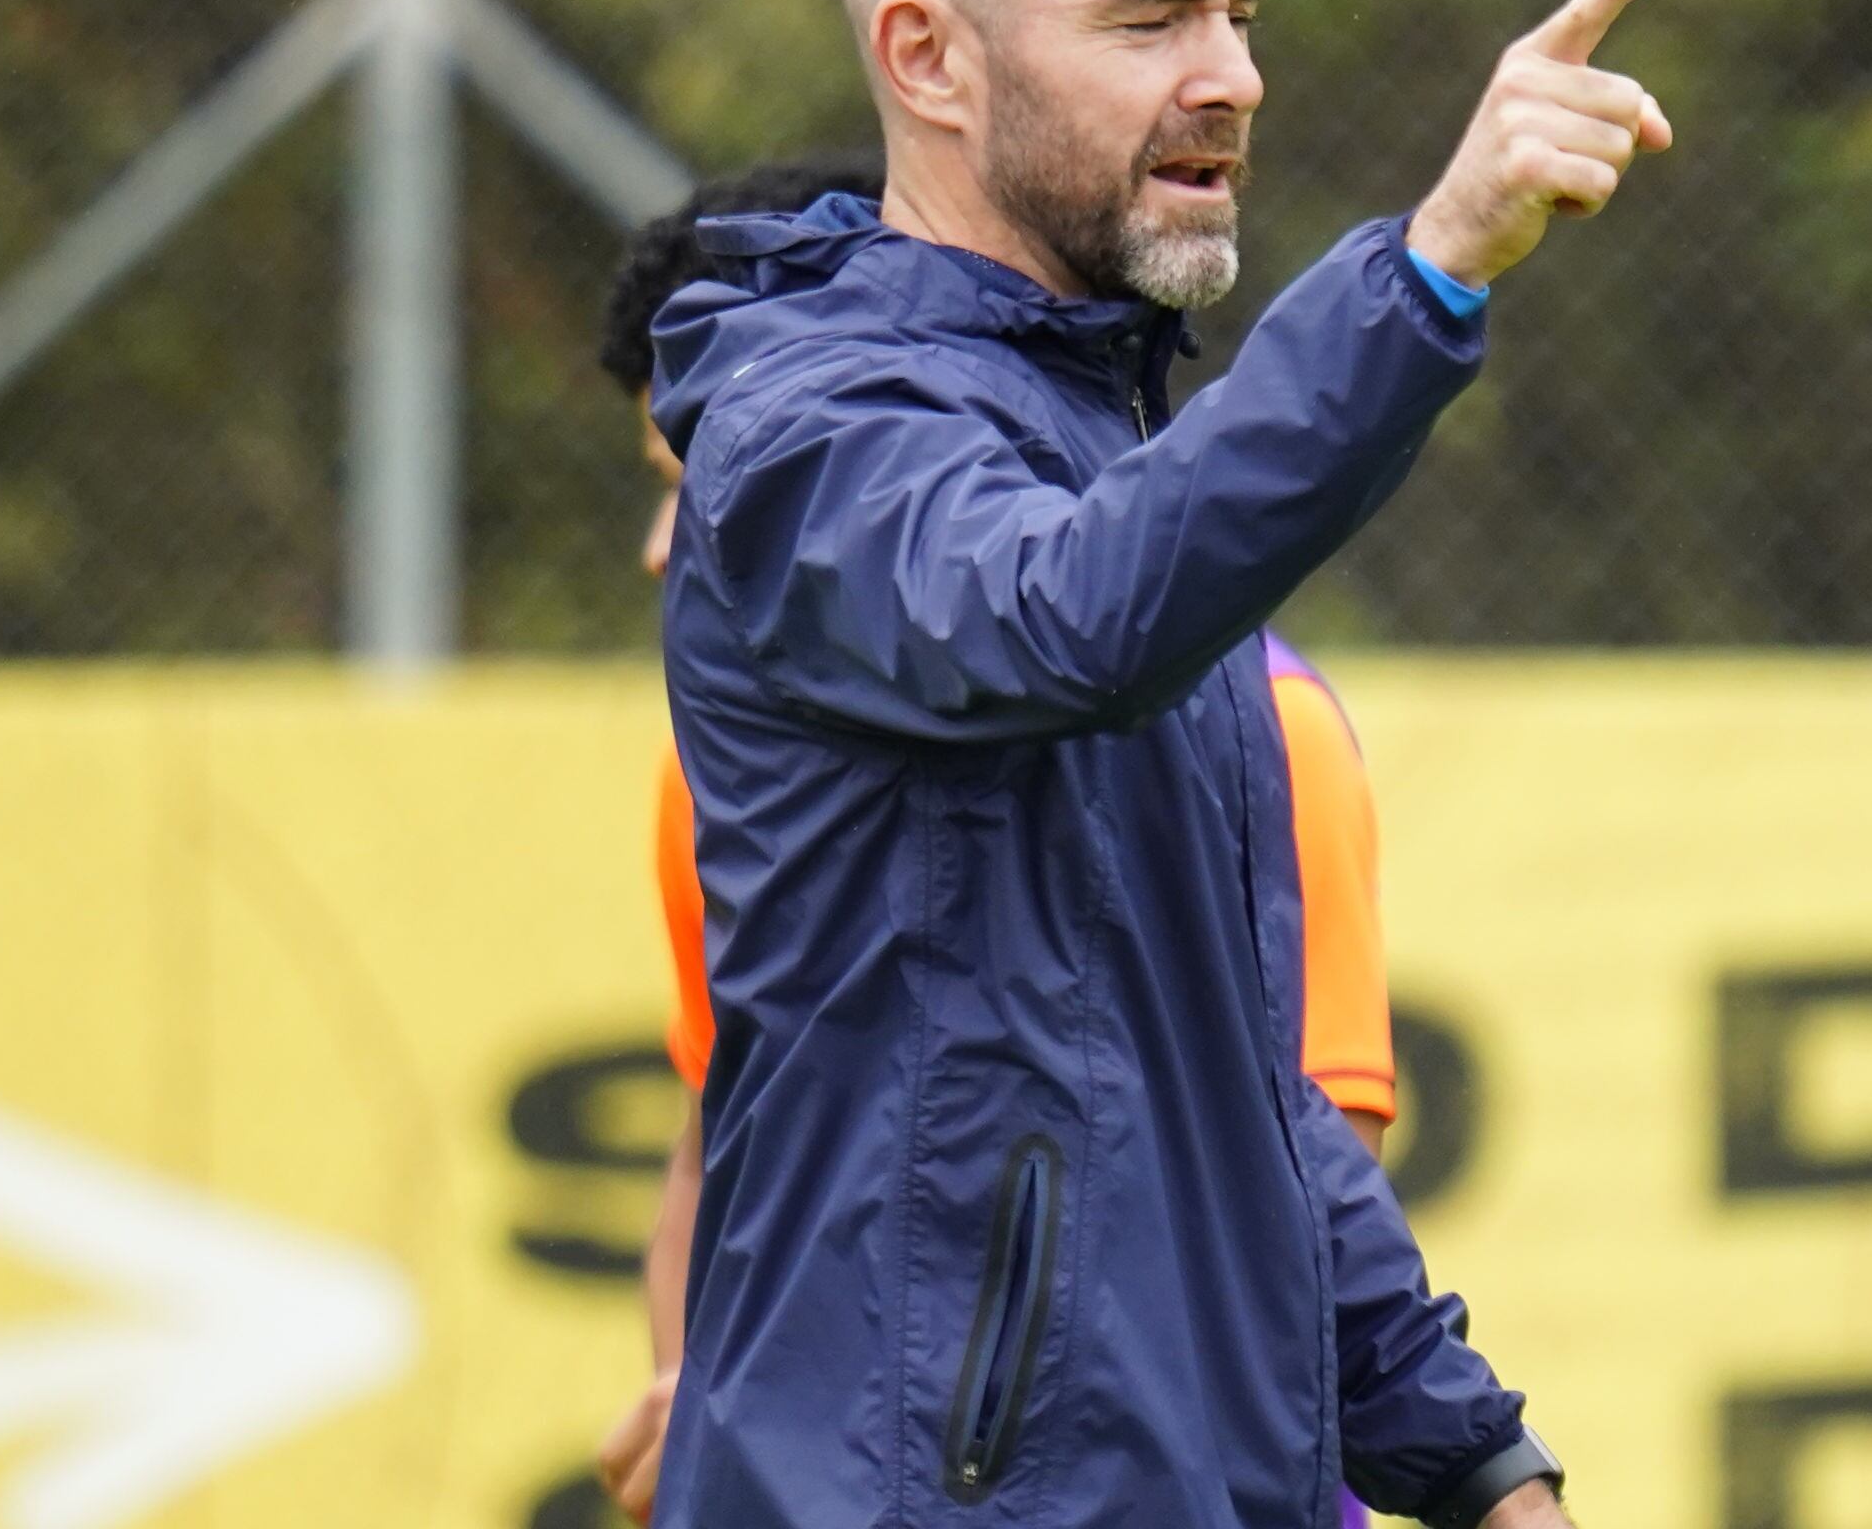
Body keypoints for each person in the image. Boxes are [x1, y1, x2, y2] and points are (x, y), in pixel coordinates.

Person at [649, 0, 1667, 1529]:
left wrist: (1479, 1463)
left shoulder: (1110, 461)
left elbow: (1228, 1079)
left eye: (1240, 15)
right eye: (1150, 19)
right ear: (930, 60)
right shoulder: (818, 430)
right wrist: (1423, 278)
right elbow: (1061, 617)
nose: (1233, 76)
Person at [588, 162, 1409, 1525]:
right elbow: (717, 1148)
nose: (667, 545)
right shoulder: (713, 779)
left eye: (704, 477)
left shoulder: (1269, 726)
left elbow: (1288, 1207)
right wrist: (702, 1400)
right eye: (667, 477)